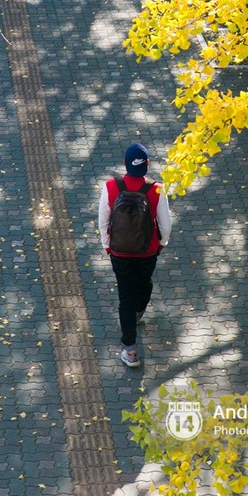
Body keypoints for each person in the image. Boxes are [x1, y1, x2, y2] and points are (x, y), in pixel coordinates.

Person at [98, 143, 172, 367]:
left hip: (119, 252)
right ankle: (139, 312)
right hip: (147, 251)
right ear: (147, 165)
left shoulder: (111, 186)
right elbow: (165, 225)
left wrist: (108, 246)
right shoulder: (157, 189)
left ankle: (130, 350)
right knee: (145, 284)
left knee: (125, 298)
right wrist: (160, 244)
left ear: (125, 164)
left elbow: (103, 221)